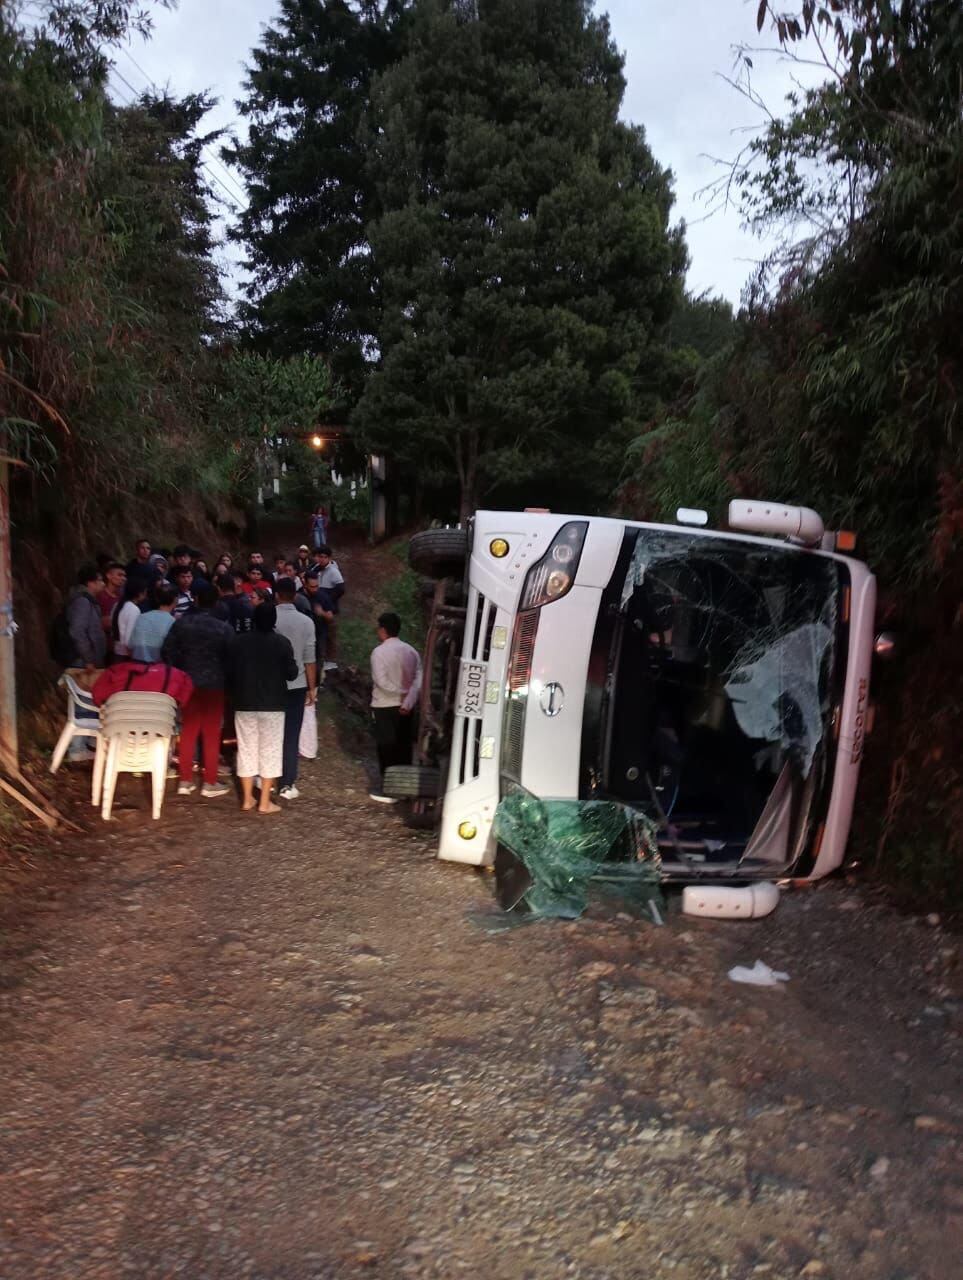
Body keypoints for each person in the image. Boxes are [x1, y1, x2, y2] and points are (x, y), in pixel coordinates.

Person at [161, 583, 234, 799]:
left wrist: (179, 670)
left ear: (196, 599)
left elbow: (167, 651)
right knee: (212, 733)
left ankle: (185, 780)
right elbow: (232, 660)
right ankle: (209, 781)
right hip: (215, 684)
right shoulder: (223, 628)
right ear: (216, 602)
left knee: (189, 729)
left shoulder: (182, 624)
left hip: (187, 682)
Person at [229, 602, 297, 814]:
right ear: (274, 621)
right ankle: (265, 802)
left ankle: (247, 799)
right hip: (273, 705)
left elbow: (230, 671)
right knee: (271, 751)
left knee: (246, 749)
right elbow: (291, 673)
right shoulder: (282, 643)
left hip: (244, 702)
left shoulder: (238, 642)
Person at [369, 611, 422, 802]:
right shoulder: (411, 651)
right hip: (406, 706)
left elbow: (381, 681)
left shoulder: (379, 652)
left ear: (383, 630)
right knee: (404, 745)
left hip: (384, 705)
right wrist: (408, 700)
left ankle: (389, 788)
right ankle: (404, 788)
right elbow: (418, 680)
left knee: (386, 746)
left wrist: (399, 692)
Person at [273, 577, 317, 801]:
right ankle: (287, 783)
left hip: (270, 685)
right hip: (297, 685)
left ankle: (268, 777)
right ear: (295, 595)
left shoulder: (270, 618)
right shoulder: (307, 622)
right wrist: (312, 688)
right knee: (291, 735)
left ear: (276, 595)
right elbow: (310, 658)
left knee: (271, 732)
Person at [66, 564, 107, 670]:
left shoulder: (89, 600)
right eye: (100, 580)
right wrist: (88, 659)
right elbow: (77, 631)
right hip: (83, 662)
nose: (103, 584)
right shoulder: (82, 601)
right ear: (90, 583)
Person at [312, 544, 344, 670]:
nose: (321, 559)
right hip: (318, 608)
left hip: (329, 609)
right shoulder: (315, 569)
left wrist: (328, 601)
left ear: (329, 558)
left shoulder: (333, 571)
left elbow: (341, 589)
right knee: (319, 633)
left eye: (324, 557)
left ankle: (331, 660)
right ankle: (320, 658)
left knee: (330, 633)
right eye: (319, 556)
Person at [129, 583, 177, 661]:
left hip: (137, 666)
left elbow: (131, 646)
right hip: (159, 669)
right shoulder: (173, 622)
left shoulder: (142, 617)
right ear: (176, 600)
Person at [111, 579, 147, 659]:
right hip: (126, 655)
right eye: (145, 592)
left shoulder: (117, 605)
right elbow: (129, 639)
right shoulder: (134, 609)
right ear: (140, 593)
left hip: (116, 650)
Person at [99, 562, 126, 643]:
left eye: (124, 576)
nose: (123, 578)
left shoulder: (122, 597)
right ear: (108, 576)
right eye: (120, 575)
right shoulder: (100, 596)